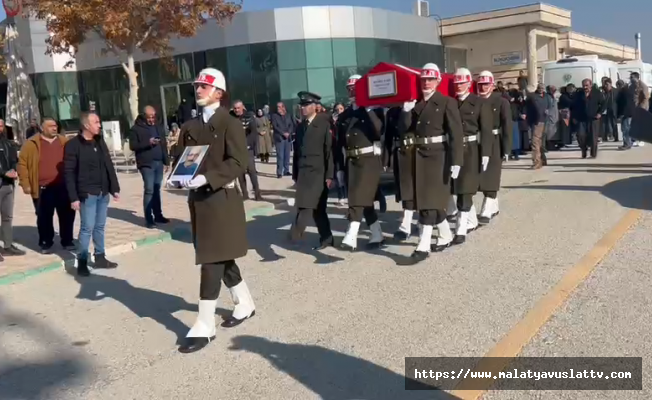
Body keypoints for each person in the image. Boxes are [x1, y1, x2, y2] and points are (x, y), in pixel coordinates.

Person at [168, 68, 256, 354]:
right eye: (197, 86)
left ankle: (205, 323)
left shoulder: (229, 122)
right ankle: (245, 302)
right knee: (220, 255)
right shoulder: (190, 126)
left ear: (219, 92)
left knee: (211, 259)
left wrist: (208, 177)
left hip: (222, 198)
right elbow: (182, 158)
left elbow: (239, 161)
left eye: (205, 86)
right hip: (199, 201)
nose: (199, 90)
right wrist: (176, 176)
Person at [399, 63, 463, 264]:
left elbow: (456, 133)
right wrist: (405, 112)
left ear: (438, 81)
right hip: (419, 155)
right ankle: (445, 234)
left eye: (430, 79)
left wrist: (457, 160)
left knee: (428, 201)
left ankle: (423, 245)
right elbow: (404, 129)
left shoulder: (446, 102)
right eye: (423, 79)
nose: (426, 83)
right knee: (429, 200)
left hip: (438, 156)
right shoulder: (416, 104)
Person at [64, 113, 120, 276]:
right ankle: (82, 262)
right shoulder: (73, 145)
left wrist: (114, 187)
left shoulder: (99, 141)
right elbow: (69, 173)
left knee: (100, 226)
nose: (99, 125)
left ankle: (100, 257)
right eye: (96, 122)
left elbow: (108, 164)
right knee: (87, 228)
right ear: (86, 125)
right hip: (87, 193)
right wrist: (73, 197)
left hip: (103, 191)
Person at [336, 74, 385, 251]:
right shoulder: (345, 115)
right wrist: (340, 169)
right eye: (349, 89)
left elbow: (379, 131)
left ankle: (352, 233)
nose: (352, 91)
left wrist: (369, 109)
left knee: (357, 197)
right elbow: (340, 144)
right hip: (351, 161)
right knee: (366, 200)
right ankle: (377, 234)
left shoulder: (373, 110)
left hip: (369, 160)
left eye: (355, 88)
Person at [446, 68, 493, 245]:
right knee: (455, 187)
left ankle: (460, 227)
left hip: (471, 148)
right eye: (456, 83)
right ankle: (470, 219)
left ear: (469, 84)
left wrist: (486, 152)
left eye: (462, 83)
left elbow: (486, 130)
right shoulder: (450, 102)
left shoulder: (479, 102)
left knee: (465, 187)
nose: (459, 86)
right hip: (452, 148)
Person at [17, 117, 75, 254]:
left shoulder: (64, 142)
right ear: (42, 128)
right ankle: (46, 242)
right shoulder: (31, 144)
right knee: (44, 216)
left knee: (67, 214)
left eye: (55, 125)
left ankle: (67, 240)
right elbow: (22, 164)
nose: (54, 128)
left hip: (63, 186)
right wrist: (25, 183)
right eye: (50, 126)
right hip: (42, 187)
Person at [288, 91, 335, 250]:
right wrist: (295, 173)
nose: (303, 108)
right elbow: (297, 153)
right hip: (303, 172)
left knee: (307, 205)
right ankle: (327, 238)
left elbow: (329, 152)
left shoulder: (323, 124)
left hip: (318, 172)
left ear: (315, 106)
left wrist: (330, 175)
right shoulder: (300, 126)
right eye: (301, 105)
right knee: (318, 209)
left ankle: (296, 231)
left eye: (306, 105)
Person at [476, 71, 512, 226]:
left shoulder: (501, 101)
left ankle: (487, 206)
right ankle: (494, 204)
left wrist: (507, 148)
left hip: (495, 139)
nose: (483, 87)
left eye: (486, 84)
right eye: (480, 84)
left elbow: (507, 125)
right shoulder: (475, 101)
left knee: (492, 173)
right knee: (481, 174)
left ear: (492, 85)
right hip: (478, 141)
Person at [129, 105, 170, 229]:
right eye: (149, 117)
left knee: (157, 189)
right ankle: (149, 219)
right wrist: (148, 143)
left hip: (158, 162)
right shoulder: (136, 129)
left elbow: (163, 144)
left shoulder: (158, 126)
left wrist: (166, 161)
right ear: (143, 116)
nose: (152, 119)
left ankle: (158, 215)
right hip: (146, 164)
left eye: (153, 116)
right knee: (149, 190)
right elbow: (133, 146)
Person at [386, 105, 417, 241]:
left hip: (417, 151)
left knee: (421, 189)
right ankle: (406, 224)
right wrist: (386, 160)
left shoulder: (419, 106)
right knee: (406, 189)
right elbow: (388, 136)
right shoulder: (393, 111)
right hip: (401, 152)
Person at [0, 119, 25, 261]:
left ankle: (8, 245)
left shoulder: (8, 143)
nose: (0, 128)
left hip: (9, 184)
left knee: (7, 217)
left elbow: (14, 160)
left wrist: (15, 171)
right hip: (2, 180)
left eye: (2, 125)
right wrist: (4, 173)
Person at [231, 100, 262, 201]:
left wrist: (247, 144)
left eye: (238, 108)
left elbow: (253, 132)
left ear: (242, 107)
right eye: (235, 108)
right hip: (236, 150)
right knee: (240, 173)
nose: (236, 110)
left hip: (247, 149)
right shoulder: (230, 117)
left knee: (252, 171)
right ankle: (245, 194)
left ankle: (257, 194)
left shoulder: (249, 117)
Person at [571, 78, 604, 159]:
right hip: (581, 118)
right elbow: (573, 106)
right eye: (584, 85)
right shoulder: (578, 94)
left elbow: (603, 104)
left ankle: (593, 154)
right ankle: (583, 149)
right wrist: (574, 117)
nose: (585, 87)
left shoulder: (597, 93)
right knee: (580, 136)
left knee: (593, 137)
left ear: (591, 85)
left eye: (587, 85)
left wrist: (599, 113)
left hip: (593, 118)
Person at [525, 84, 548, 169]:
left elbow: (536, 109)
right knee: (539, 141)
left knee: (535, 142)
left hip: (537, 121)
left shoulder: (532, 98)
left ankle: (537, 162)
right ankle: (542, 160)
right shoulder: (543, 97)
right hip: (541, 120)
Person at [271, 102, 295, 178]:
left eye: (280, 107)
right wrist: (283, 133)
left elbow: (291, 124)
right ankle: (279, 172)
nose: (278, 108)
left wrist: (289, 132)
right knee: (280, 156)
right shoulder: (274, 116)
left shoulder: (288, 115)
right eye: (277, 107)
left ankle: (286, 170)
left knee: (287, 155)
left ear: (283, 107)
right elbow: (275, 126)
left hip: (288, 138)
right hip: (279, 138)